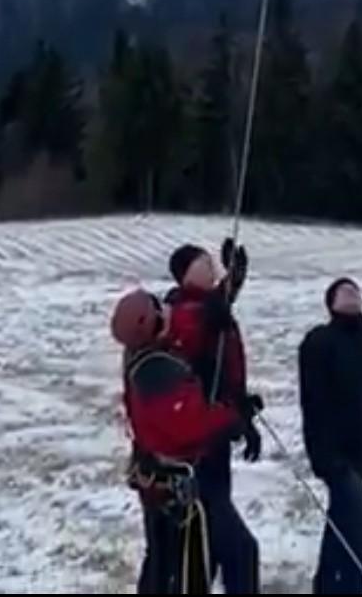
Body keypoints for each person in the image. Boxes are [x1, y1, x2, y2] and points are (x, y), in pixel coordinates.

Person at [111, 287, 245, 596]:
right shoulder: (157, 372)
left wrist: (219, 299)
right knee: (178, 572)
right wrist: (231, 417)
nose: (169, 312)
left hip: (157, 482)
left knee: (163, 564)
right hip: (173, 490)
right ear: (154, 322)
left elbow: (187, 321)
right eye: (161, 312)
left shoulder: (147, 351)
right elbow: (191, 424)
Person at [164, 242, 261, 594]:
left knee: (211, 547)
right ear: (186, 272)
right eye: (205, 264)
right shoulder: (177, 309)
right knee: (237, 548)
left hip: (219, 437)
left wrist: (235, 274)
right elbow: (190, 331)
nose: (212, 269)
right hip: (196, 447)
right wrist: (213, 311)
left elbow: (222, 305)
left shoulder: (210, 306)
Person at [298, 277, 362, 595]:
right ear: (331, 303)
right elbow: (312, 401)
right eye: (343, 291)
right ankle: (348, 586)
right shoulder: (319, 341)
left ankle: (329, 585)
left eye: (355, 290)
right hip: (333, 453)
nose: (351, 293)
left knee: (345, 523)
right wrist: (322, 453)